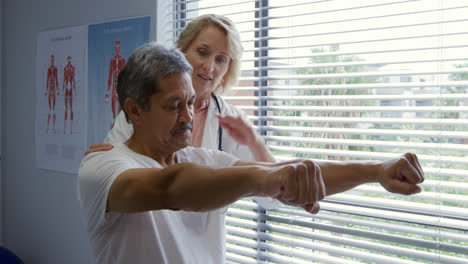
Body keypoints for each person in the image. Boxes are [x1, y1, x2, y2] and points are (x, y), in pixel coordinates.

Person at [78, 42, 424, 264]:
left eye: (190, 103)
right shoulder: (104, 166)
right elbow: (170, 189)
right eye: (173, 106)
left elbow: (293, 169)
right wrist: (264, 177)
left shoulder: (201, 159)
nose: (187, 117)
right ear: (134, 111)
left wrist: (376, 170)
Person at [88, 14, 274, 164]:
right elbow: (111, 167)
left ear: (228, 68)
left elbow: (271, 198)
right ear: (182, 51)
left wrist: (254, 142)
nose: (209, 67)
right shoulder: (145, 107)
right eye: (202, 52)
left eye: (221, 59)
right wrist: (103, 159)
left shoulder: (233, 123)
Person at [105, 40, 126, 128]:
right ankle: (113, 128)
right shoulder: (112, 61)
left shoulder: (122, 60)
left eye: (118, 47)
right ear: (114, 48)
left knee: (120, 111)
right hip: (114, 88)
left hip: (120, 89)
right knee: (113, 111)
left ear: (120, 48)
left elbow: (125, 77)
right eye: (116, 47)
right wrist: (107, 92)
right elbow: (110, 76)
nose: (117, 49)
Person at [62, 55, 76, 134]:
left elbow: (73, 79)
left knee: (71, 109)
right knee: (66, 109)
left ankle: (71, 128)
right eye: (68, 59)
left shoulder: (73, 68)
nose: (69, 60)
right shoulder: (65, 68)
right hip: (66, 89)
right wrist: (63, 89)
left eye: (70, 59)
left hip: (70, 89)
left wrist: (75, 90)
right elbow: (64, 79)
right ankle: (64, 128)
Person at [45, 54, 58, 134]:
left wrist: (57, 90)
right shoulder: (49, 69)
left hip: (54, 89)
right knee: (50, 109)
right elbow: (47, 79)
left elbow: (56, 79)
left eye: (53, 60)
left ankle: (53, 127)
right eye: (51, 60)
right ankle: (47, 127)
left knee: (54, 109)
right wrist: (46, 90)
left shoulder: (55, 69)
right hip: (50, 89)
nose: (52, 61)